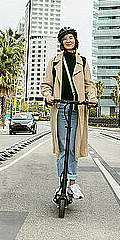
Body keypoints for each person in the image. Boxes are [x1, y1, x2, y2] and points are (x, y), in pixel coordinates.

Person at [41, 27, 97, 202]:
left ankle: (72, 183)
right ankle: (62, 182)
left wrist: (92, 98)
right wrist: (49, 96)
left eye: (71, 38)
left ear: (75, 40)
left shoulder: (83, 61)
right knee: (62, 148)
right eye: (65, 39)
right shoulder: (55, 62)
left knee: (73, 147)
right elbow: (46, 85)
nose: (68, 41)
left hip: (77, 109)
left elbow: (89, 84)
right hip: (61, 108)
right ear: (61, 42)